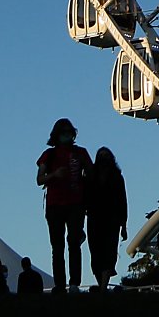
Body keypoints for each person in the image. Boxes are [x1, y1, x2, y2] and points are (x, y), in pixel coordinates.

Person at [36, 118, 94, 292]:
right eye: (63, 133)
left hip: (75, 204)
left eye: (69, 132)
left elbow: (91, 174)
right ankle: (60, 284)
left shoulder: (81, 153)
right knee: (58, 246)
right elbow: (39, 179)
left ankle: (74, 283)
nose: (67, 136)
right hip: (55, 205)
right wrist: (54, 175)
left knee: (73, 243)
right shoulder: (49, 154)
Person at [86, 146, 128, 291]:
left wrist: (123, 224)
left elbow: (123, 201)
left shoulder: (117, 178)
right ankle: (101, 285)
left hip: (111, 220)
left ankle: (103, 286)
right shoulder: (91, 177)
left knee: (108, 253)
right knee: (96, 253)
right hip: (95, 219)